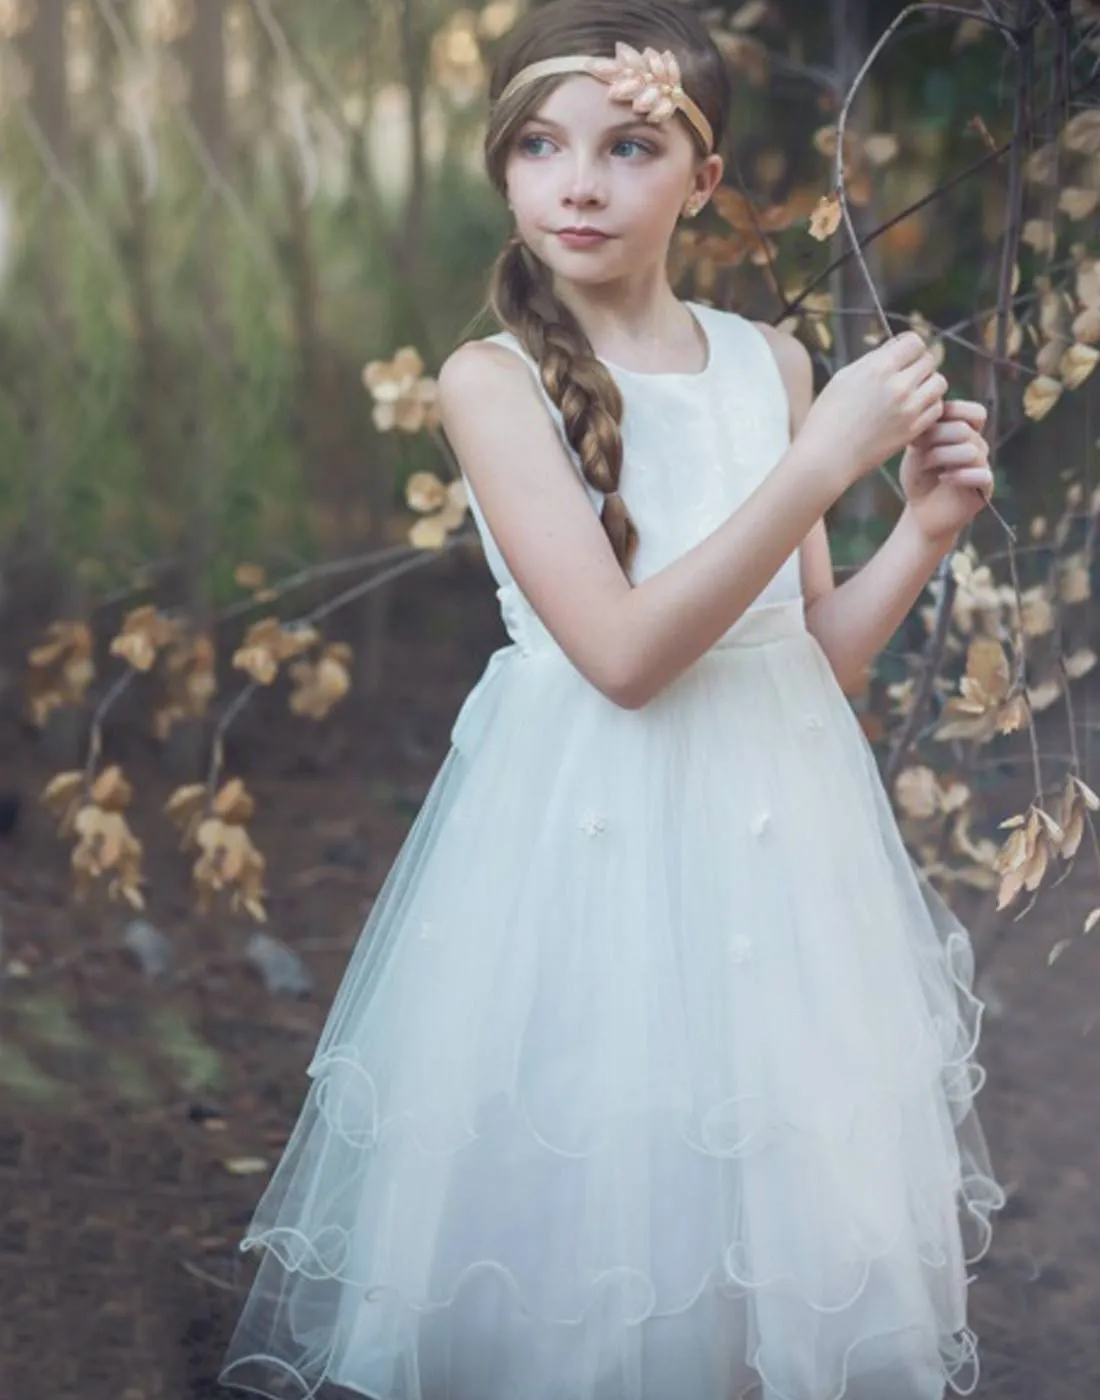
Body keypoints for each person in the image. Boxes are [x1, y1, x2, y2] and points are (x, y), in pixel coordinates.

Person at [218, 3, 1006, 1398]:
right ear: (504, 169)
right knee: (605, 1210)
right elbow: (628, 659)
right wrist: (821, 465)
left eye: (627, 146)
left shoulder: (767, 363)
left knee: (774, 1201)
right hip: (591, 845)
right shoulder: (492, 381)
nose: (576, 182)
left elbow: (812, 658)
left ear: (704, 181)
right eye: (538, 145)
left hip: (779, 851)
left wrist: (922, 529)